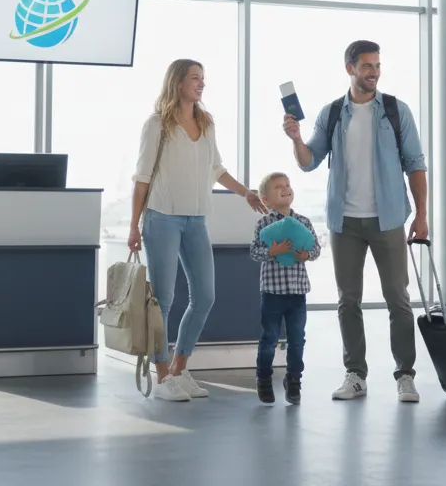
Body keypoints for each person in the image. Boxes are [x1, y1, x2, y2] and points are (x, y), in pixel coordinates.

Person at [283, 39, 428, 403]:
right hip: (344, 221)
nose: (374, 72)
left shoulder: (396, 111)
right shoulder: (332, 113)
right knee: (348, 300)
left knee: (398, 299)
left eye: (377, 66)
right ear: (350, 68)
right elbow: (308, 161)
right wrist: (296, 138)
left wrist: (423, 214)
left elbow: (416, 164)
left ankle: (405, 375)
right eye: (367, 66)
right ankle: (355, 374)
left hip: (389, 218)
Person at [130, 59, 266, 402]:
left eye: (203, 78)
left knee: (205, 297)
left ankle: (179, 368)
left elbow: (216, 169)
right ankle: (161, 378)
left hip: (196, 220)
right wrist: (134, 225)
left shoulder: (205, 123)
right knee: (163, 301)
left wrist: (245, 192)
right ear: (178, 82)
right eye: (195, 78)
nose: (201, 84)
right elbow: (142, 178)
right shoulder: (157, 124)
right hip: (162, 218)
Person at [249, 172, 320, 405]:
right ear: (266, 200)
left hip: (298, 293)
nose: (285, 188)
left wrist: (307, 254)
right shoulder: (264, 224)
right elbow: (254, 253)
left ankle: (293, 380)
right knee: (269, 338)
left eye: (287, 185)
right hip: (272, 293)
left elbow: (316, 249)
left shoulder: (304, 222)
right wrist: (273, 251)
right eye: (278, 187)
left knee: (297, 339)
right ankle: (263, 378)